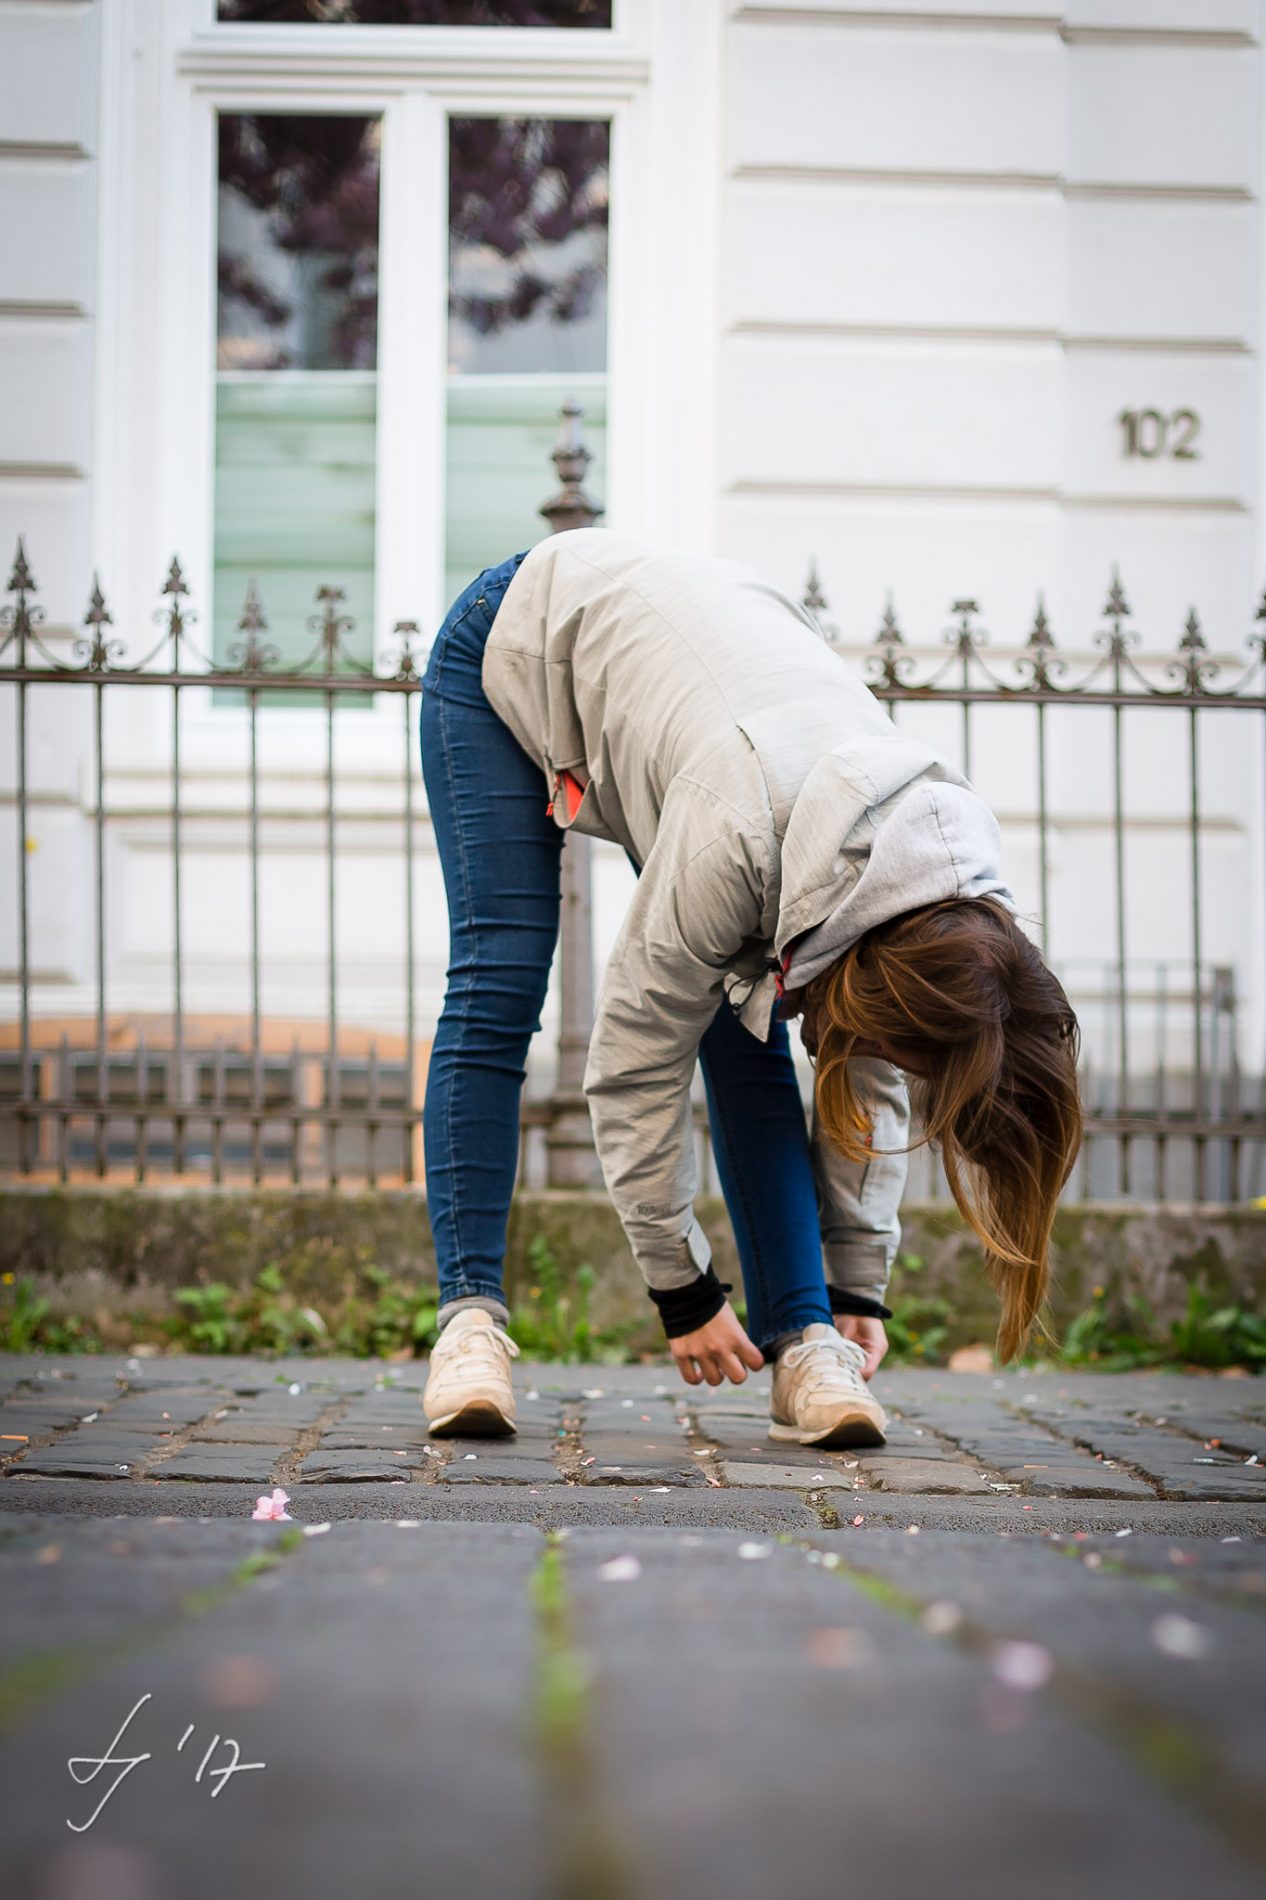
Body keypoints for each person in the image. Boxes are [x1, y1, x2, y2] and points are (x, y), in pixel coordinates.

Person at [417, 529, 1082, 1447]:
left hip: (713, 722)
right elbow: (633, 1061)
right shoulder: (736, 831)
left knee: (755, 1029)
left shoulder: (947, 900)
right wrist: (681, 1288)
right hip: (520, 646)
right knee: (500, 980)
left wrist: (855, 1283)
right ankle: (469, 1327)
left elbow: (876, 1072)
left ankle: (805, 1339)